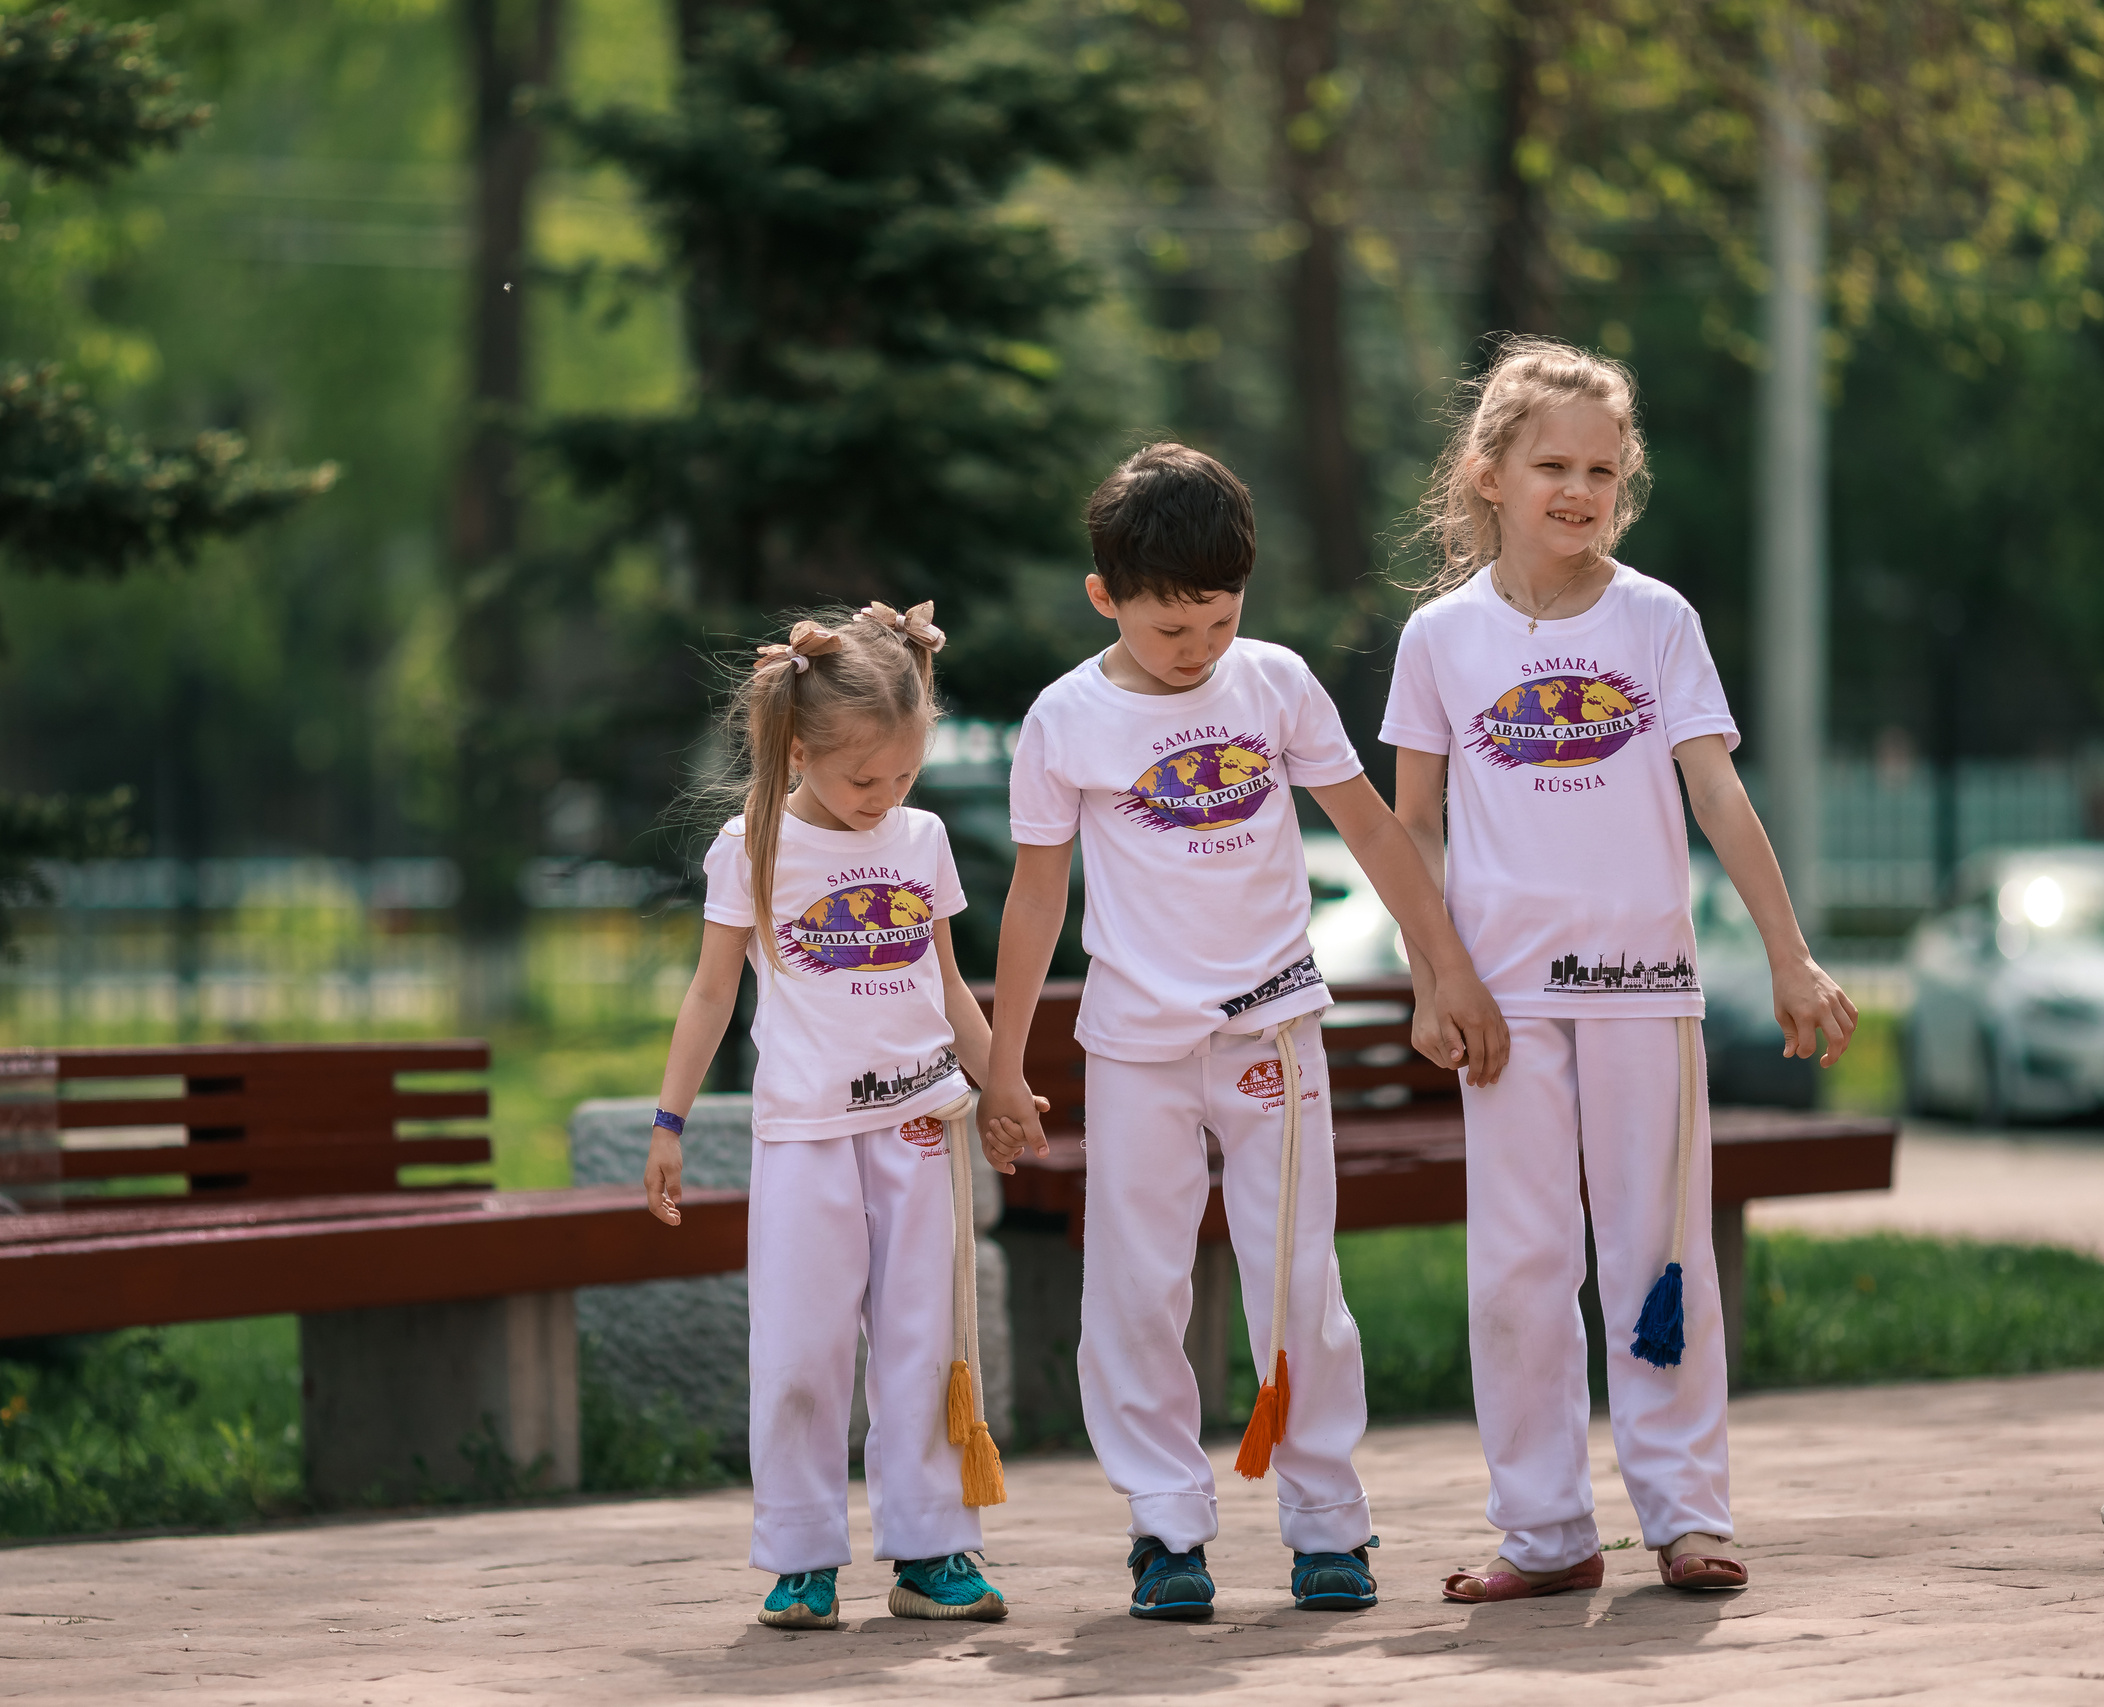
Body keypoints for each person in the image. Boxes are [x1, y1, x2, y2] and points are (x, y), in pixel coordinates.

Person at [976, 443, 1512, 1622]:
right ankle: (1166, 1525)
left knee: (1296, 1279)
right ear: (1105, 597)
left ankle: (1327, 1520)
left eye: (1219, 620)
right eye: (1171, 628)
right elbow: (1035, 897)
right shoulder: (1065, 719)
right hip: (1137, 1049)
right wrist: (1002, 1066)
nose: (1198, 649)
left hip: (1272, 1031)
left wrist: (1447, 971)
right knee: (1134, 1286)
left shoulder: (1273, 683)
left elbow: (1373, 833)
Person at [1380, 335, 1858, 1602]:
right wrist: (1436, 976)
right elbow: (1413, 825)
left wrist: (1790, 955)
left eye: (1602, 469)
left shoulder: (1657, 621)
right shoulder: (1438, 638)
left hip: (1645, 989)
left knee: (1657, 1248)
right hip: (1503, 1003)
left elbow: (1718, 793)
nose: (1578, 490)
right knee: (1519, 1265)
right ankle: (1543, 1532)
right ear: (1490, 475)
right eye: (1552, 466)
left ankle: (1685, 1516)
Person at [644, 600, 1015, 1631]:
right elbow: (711, 993)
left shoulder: (922, 837)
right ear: (800, 750)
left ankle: (932, 1550)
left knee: (922, 1341)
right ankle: (801, 1556)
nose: (884, 797)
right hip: (805, 1137)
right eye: (864, 780)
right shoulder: (751, 845)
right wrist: (669, 1123)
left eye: (902, 775)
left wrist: (1002, 1084)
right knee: (802, 1350)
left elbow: (948, 986)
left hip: (920, 1129)